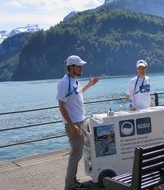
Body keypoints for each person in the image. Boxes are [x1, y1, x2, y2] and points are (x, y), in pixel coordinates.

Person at [56, 55, 99, 190]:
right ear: (71, 67)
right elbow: (62, 106)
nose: (82, 68)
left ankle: (72, 182)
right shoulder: (64, 83)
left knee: (79, 153)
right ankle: (70, 185)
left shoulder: (74, 81)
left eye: (81, 66)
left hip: (80, 121)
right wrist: (72, 125)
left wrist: (89, 85)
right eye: (79, 66)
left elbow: (79, 94)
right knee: (75, 155)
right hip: (74, 124)